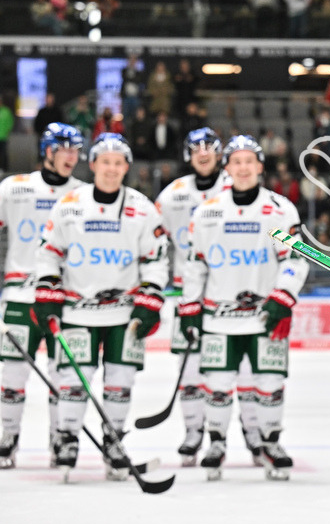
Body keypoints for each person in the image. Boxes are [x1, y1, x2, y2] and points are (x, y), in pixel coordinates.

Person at [36, 133, 170, 481]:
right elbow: (49, 251)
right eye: (105, 162)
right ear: (93, 164)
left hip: (124, 315)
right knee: (72, 382)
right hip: (77, 311)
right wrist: (47, 292)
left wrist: (150, 300)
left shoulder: (142, 207)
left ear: (127, 167)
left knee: (120, 382)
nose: (111, 169)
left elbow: (155, 260)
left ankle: (114, 439)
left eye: (118, 163)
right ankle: (66, 439)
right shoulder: (69, 203)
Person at [181, 135, 309, 481]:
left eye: (249, 161)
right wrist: (189, 306)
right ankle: (217, 442)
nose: (242, 168)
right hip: (219, 319)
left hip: (265, 317)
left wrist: (283, 296)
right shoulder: (207, 213)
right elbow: (195, 265)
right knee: (217, 385)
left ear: (260, 166)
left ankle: (270, 442)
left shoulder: (280, 209)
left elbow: (296, 260)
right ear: (227, 167)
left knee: (269, 385)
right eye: (236, 161)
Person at [155, 128, 252, 467]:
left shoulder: (239, 182)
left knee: (242, 369)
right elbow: (153, 238)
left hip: (232, 294)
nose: (203, 152)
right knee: (191, 371)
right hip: (190, 295)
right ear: (187, 155)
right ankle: (193, 431)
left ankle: (252, 432)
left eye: (209, 147)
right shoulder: (172, 195)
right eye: (195, 148)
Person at [0, 124, 85, 469]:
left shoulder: (84, 194)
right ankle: (7, 438)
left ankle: (60, 439)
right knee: (11, 376)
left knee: (62, 374)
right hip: (21, 296)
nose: (70, 156)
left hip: (64, 300)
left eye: (75, 150)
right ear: (47, 152)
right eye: (63, 149)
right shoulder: (14, 188)